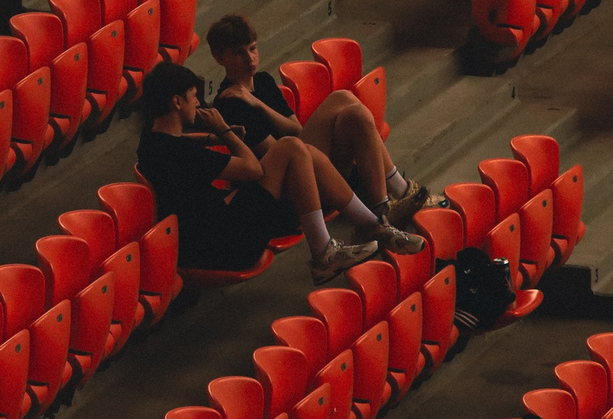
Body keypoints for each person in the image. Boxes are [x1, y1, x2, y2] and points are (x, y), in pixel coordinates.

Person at [136, 60, 426, 283]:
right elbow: (251, 169)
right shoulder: (177, 151)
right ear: (177, 102)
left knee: (303, 149)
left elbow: (181, 147)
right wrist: (223, 131)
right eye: (193, 97)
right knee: (291, 148)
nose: (198, 103)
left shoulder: (152, 143)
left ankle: (372, 225)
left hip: (214, 229)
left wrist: (212, 138)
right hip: (226, 242)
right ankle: (329, 250)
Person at [203, 14, 446, 224]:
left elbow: (295, 128)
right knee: (342, 98)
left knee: (356, 115)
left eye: (253, 49)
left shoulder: (264, 82)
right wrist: (252, 103)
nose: (250, 59)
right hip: (289, 185)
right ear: (219, 57)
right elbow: (281, 152)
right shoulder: (229, 102)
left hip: (314, 165)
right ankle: (400, 191)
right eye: (239, 53)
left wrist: (259, 104)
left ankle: (384, 205)